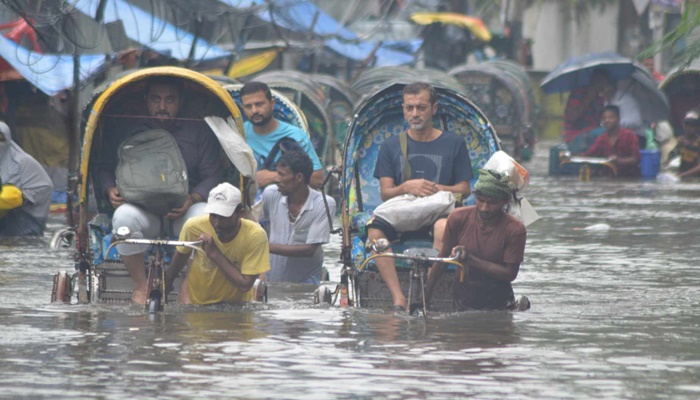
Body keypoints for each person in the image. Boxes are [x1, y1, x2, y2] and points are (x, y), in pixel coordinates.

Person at [98, 76, 221, 304]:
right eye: (156, 99)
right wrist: (109, 190)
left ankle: (188, 282)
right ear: (146, 100)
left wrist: (192, 199)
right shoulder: (128, 130)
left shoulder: (198, 131)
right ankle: (141, 285)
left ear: (180, 102)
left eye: (169, 100)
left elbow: (212, 175)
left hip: (184, 210)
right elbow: (104, 168)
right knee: (123, 220)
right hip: (142, 210)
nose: (162, 107)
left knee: (205, 220)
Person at [367, 82, 473, 311]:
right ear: (404, 109)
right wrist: (407, 186)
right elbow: (386, 193)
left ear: (434, 108)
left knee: (444, 227)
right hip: (403, 213)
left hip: (439, 213)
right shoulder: (391, 146)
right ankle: (398, 298)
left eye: (421, 107)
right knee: (374, 230)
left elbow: (465, 189)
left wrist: (436, 190)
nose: (415, 113)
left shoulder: (454, 144)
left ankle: (428, 294)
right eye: (410, 108)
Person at [426, 169, 526, 311]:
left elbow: (509, 274)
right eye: (481, 201)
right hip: (462, 302)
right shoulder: (458, 218)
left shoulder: (515, 229)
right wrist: (425, 298)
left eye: (492, 203)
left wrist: (470, 259)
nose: (485, 208)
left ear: (504, 202)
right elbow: (442, 260)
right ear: (475, 197)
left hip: (499, 306)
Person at [165, 183, 270, 305]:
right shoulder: (193, 227)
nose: (217, 223)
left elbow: (245, 285)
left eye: (224, 217)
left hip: (237, 308)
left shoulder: (255, 236)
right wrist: (166, 285)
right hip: (197, 305)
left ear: (241, 214)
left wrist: (214, 253)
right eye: (213, 216)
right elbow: (178, 262)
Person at [260, 150, 335, 284]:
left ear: (299, 177)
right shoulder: (270, 194)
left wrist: (263, 246)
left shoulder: (323, 203)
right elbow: (262, 228)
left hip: (307, 282)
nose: (276, 179)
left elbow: (309, 249)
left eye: (282, 175)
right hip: (272, 279)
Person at [239, 81, 324, 189]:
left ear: (272, 104)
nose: (254, 110)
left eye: (259, 104)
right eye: (248, 107)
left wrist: (274, 176)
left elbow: (317, 179)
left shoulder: (295, 136)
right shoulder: (239, 134)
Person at [0, 121, 54, 236]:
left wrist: (23, 196)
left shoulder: (22, 162)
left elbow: (45, 186)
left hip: (25, 221)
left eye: (1, 140)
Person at [581, 105, 641, 177]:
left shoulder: (629, 135)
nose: (607, 121)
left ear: (618, 119)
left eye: (610, 118)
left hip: (629, 178)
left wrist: (618, 161)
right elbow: (589, 154)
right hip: (609, 178)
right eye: (604, 118)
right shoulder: (602, 138)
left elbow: (635, 159)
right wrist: (568, 156)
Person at [563, 69, 610, 154]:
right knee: (606, 132)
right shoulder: (579, 93)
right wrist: (587, 99)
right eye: (601, 83)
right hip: (575, 137)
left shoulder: (599, 99)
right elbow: (572, 117)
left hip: (592, 135)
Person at [602, 81, 647, 149]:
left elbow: (637, 122)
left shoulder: (627, 100)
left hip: (636, 136)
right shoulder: (606, 101)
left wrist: (615, 124)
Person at [676, 109, 700, 179]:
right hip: (682, 176)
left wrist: (683, 175)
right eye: (686, 124)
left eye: (691, 125)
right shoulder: (680, 141)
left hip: (695, 179)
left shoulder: (698, 143)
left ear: (697, 127)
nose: (688, 128)